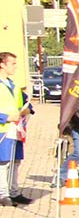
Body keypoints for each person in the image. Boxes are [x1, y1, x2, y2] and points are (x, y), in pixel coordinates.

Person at [0, 51, 34, 204]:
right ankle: (3, 194)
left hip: (16, 130)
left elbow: (25, 102)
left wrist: (28, 109)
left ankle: (13, 192)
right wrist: (5, 117)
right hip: (3, 130)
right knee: (3, 162)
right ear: (2, 65)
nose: (16, 67)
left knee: (15, 161)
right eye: (12, 64)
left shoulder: (13, 86)